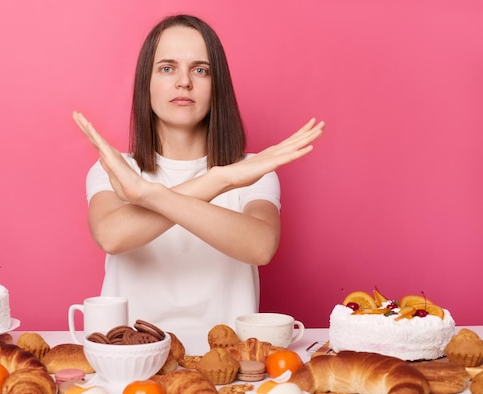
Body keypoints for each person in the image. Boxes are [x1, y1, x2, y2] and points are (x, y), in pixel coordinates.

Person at [74, 14, 324, 332]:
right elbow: (112, 236)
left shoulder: (252, 170)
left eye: (200, 70)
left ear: (216, 84)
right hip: (130, 359)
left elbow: (260, 247)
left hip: (229, 365)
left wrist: (148, 195)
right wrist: (217, 180)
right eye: (167, 68)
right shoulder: (117, 168)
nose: (184, 82)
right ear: (145, 83)